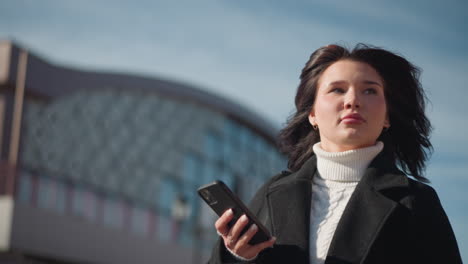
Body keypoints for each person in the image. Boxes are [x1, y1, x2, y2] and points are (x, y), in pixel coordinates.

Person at [208, 44, 463, 264]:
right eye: (337, 90)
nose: (352, 100)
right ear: (313, 114)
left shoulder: (415, 201)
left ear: (387, 117)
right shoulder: (273, 193)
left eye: (369, 90)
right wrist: (237, 256)